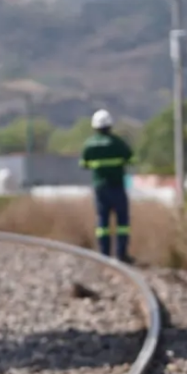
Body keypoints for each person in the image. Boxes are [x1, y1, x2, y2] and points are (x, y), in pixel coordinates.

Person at [80, 109, 134, 262]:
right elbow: (131, 159)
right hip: (117, 186)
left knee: (102, 221)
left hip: (100, 188)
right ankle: (121, 254)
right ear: (110, 125)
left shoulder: (89, 145)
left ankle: (104, 255)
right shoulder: (117, 143)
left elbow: (83, 164)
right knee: (122, 222)